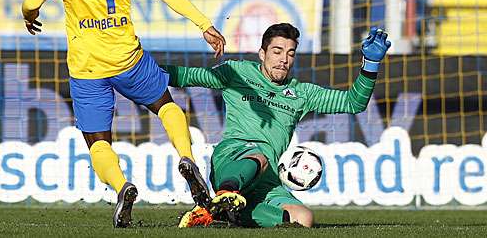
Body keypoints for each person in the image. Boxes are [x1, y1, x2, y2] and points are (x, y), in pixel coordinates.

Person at [21, 0, 226, 228]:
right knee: (165, 104)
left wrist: (30, 16)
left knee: (98, 141)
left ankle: (122, 187)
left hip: (87, 68)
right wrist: (203, 24)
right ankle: (186, 157)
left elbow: (31, 2)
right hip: (128, 59)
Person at [164, 23, 390, 228]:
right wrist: (138, 70)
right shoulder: (237, 73)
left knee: (303, 219)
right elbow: (186, 76)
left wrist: (370, 64)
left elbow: (353, 103)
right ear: (262, 54)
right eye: (277, 51)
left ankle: (220, 213)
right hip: (232, 158)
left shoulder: (302, 93)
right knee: (258, 156)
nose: (284, 59)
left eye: (290, 53)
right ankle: (225, 194)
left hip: (268, 179)